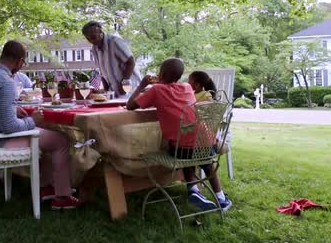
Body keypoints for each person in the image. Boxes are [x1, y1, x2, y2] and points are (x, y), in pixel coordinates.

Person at [0, 40, 82, 210]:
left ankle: (46, 188)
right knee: (60, 140)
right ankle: (62, 197)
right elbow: (9, 127)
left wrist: (12, 111)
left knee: (47, 135)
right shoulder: (6, 80)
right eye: (24, 62)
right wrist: (33, 121)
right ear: (19, 60)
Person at [127, 58, 232, 211]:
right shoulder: (187, 87)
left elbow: (130, 106)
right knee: (204, 160)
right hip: (207, 144)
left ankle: (193, 189)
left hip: (182, 151)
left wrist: (142, 85)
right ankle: (221, 199)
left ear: (161, 73)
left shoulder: (156, 90)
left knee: (182, 146)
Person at [81, 21, 141, 96]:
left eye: (93, 37)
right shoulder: (94, 49)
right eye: (88, 39)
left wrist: (124, 83)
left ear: (100, 31)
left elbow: (131, 61)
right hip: (114, 92)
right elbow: (102, 71)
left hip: (130, 89)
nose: (92, 41)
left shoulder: (114, 41)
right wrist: (106, 90)